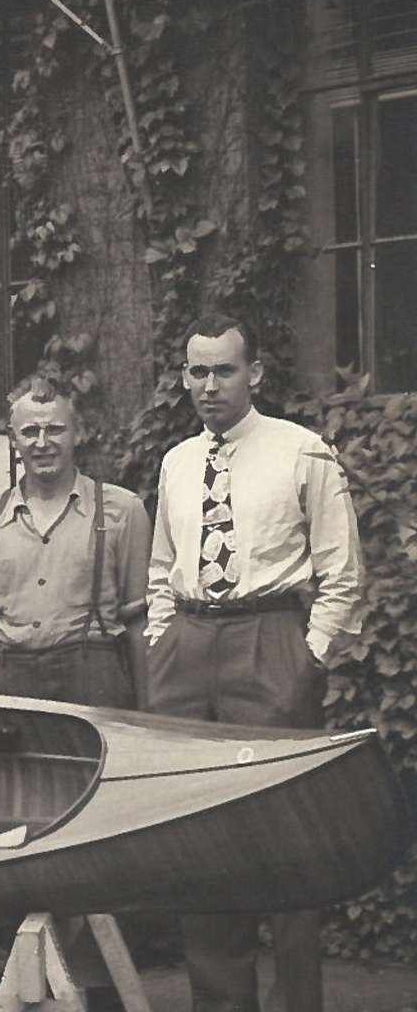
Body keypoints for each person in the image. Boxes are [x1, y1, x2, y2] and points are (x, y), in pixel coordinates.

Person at [146, 314, 364, 1012]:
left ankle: (298, 1001)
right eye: (196, 372)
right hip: (188, 648)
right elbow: (161, 568)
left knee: (287, 835)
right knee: (200, 840)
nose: (209, 386)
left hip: (270, 642)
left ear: (255, 374)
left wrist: (306, 659)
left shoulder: (303, 453)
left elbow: (343, 575)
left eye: (224, 370)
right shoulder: (178, 462)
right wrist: (162, 640)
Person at [0, 376, 151, 710]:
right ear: (13, 439)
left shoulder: (121, 510)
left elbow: (139, 623)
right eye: (29, 432)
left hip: (93, 683)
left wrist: (147, 719)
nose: (42, 443)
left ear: (78, 433)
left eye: (55, 429)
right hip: (6, 685)